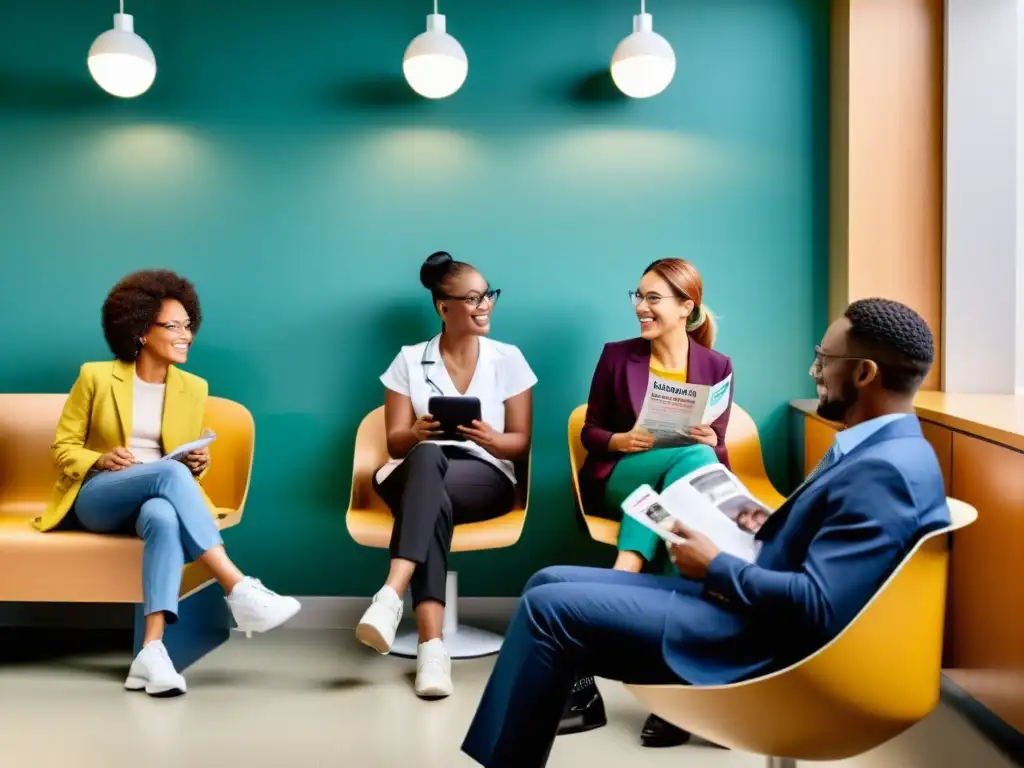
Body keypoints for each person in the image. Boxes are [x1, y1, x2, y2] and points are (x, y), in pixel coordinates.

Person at [462, 297, 951, 768]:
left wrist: (716, 565)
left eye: (823, 359)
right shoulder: (884, 449)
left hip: (762, 637)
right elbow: (825, 547)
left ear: (864, 373)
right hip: (756, 599)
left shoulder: (884, 471)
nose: (814, 371)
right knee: (547, 582)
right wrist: (762, 523)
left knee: (551, 609)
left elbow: (819, 608)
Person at [39, 269, 301, 697]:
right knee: (167, 473)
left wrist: (198, 461)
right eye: (174, 326)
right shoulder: (96, 377)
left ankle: (152, 653)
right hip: (98, 496)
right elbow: (62, 448)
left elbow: (177, 461)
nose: (187, 335)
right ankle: (238, 587)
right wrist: (101, 458)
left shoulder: (193, 387)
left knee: (162, 516)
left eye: (188, 325)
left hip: (153, 495)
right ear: (141, 331)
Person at [563, 258, 733, 747]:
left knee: (681, 472)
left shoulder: (716, 366)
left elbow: (717, 448)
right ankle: (688, 690)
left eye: (653, 298)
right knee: (685, 464)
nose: (641, 306)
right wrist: (621, 441)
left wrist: (709, 438)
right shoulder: (618, 355)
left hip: (666, 491)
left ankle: (626, 570)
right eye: (638, 296)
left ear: (686, 307)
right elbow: (591, 430)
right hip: (619, 474)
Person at [355, 251, 536, 700]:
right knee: (428, 462)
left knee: (430, 495)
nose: (485, 306)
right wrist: (415, 433)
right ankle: (430, 653)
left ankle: (401, 609)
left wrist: (491, 439)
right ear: (443, 307)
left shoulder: (507, 359)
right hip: (411, 468)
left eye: (488, 295)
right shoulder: (409, 360)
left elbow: (521, 443)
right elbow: (395, 443)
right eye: (473, 298)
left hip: (484, 474)